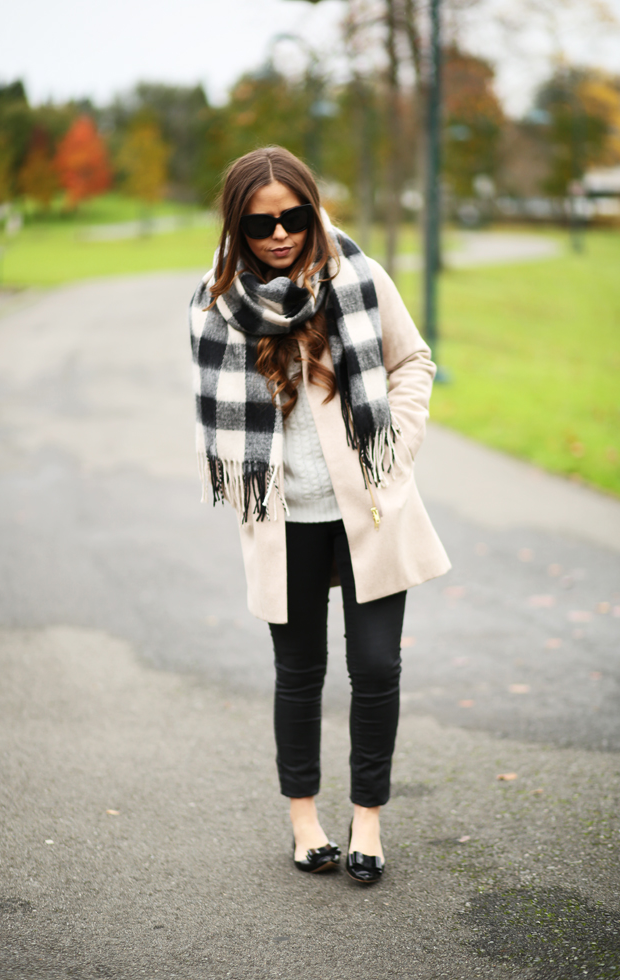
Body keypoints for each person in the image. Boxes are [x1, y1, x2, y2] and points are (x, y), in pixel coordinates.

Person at [189, 146, 450, 884]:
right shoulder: (217, 304)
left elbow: (413, 361)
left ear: (312, 209)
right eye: (260, 223)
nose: (279, 234)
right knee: (299, 672)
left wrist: (393, 448)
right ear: (238, 226)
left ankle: (368, 820)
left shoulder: (359, 279)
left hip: (368, 507)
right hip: (283, 519)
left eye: (293, 217)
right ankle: (305, 822)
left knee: (375, 668)